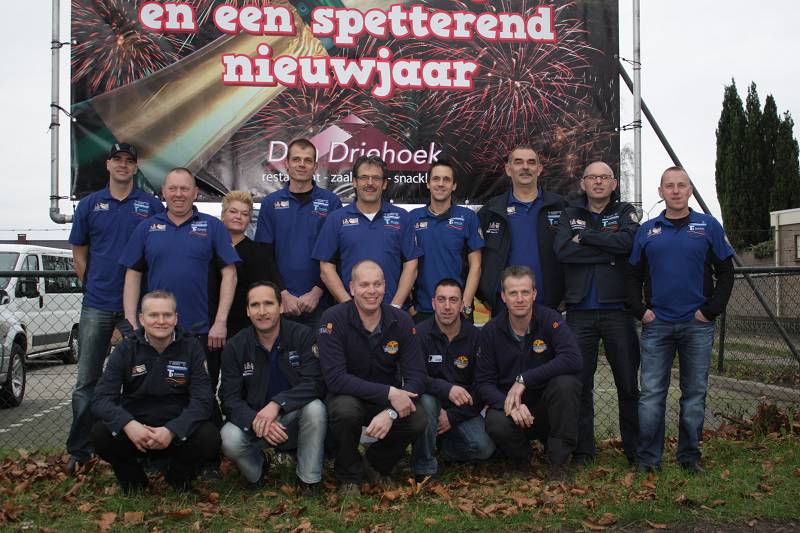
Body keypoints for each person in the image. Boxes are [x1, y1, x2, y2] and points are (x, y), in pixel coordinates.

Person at [66, 143, 165, 473]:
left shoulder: (151, 205)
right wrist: (91, 285)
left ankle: (141, 450)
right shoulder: (90, 205)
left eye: (129, 161)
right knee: (87, 382)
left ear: (136, 167)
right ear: (108, 164)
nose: (123, 165)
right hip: (97, 305)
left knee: (141, 382)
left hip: (138, 311)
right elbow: (79, 251)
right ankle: (80, 451)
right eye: (117, 159)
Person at [628, 167, 734, 474]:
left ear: (689, 190)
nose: (675, 191)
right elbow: (631, 276)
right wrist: (641, 311)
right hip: (657, 325)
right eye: (669, 186)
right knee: (651, 396)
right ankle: (648, 460)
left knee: (694, 395)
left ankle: (689, 457)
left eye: (681, 185)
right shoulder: (647, 230)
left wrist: (710, 311)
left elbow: (726, 273)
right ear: (660, 192)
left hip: (697, 325)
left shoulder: (708, 226)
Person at [120, 167, 240, 395]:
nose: (178, 194)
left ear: (195, 192)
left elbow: (230, 274)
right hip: (156, 331)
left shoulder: (213, 226)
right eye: (173, 189)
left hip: (201, 331)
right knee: (156, 395)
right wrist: (132, 322)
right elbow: (132, 275)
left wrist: (220, 322)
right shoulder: (146, 228)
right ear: (163, 192)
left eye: (184, 189)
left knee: (202, 395)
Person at [554, 161, 641, 466]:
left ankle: (635, 451)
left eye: (604, 177)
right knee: (580, 386)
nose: (599, 182)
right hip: (579, 314)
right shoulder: (569, 214)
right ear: (583, 183)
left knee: (627, 385)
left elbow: (628, 243)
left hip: (618, 312)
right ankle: (583, 452)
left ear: (614, 184)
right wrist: (608, 251)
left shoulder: (625, 211)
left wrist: (586, 237)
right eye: (593, 177)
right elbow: (563, 251)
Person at [317, 260, 428, 495]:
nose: (372, 291)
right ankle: (348, 476)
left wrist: (391, 411)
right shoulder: (333, 319)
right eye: (364, 285)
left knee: (418, 418)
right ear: (352, 288)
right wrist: (389, 393)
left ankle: (377, 464)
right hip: (348, 396)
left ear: (385, 286)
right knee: (345, 411)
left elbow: (417, 376)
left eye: (377, 284)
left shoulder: (400, 320)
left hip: (385, 401)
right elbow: (335, 379)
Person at [90, 291, 219, 493]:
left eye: (167, 315)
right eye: (153, 315)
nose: (161, 321)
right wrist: (128, 424)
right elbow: (101, 399)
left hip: (176, 433)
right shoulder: (126, 348)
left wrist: (172, 430)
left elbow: (203, 401)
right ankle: (134, 483)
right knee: (100, 433)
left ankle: (178, 478)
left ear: (176, 318)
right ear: (142, 319)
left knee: (209, 436)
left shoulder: (191, 347)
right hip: (137, 433)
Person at [476, 266, 582, 480]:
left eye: (525, 292)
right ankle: (520, 459)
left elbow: (573, 358)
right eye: (513, 293)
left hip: (546, 409)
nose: (519, 299)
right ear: (503, 297)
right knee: (495, 421)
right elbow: (483, 383)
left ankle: (560, 462)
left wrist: (524, 379)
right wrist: (509, 405)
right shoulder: (490, 331)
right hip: (513, 412)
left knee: (566, 384)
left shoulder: (551, 320)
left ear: (534, 294)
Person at [220, 282, 326, 493]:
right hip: (255, 424)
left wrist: (277, 404)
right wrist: (255, 420)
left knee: (315, 408)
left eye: (268, 303)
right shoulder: (235, 346)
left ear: (280, 307)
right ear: (247, 311)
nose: (262, 311)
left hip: (294, 420)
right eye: (255, 305)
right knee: (228, 437)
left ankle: (309, 480)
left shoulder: (303, 335)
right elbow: (229, 399)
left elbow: (315, 383)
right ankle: (258, 469)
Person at [410, 279, 495, 481]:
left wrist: (452, 417)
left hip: (461, 410)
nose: (447, 306)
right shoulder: (419, 334)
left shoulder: (476, 337)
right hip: (427, 404)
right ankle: (424, 468)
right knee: (427, 401)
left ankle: (444, 449)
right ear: (433, 303)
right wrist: (446, 389)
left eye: (453, 300)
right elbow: (414, 377)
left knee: (484, 448)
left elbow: (482, 386)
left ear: (462, 304)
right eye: (441, 300)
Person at [313, 155, 422, 308]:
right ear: (354, 181)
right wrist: (349, 307)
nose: (370, 183)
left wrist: (395, 307)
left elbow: (411, 265)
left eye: (376, 178)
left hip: (392, 312)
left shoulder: (402, 217)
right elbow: (326, 268)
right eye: (364, 177)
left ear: (384, 184)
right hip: (349, 315)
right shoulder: (336, 219)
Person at [255, 139, 342, 328]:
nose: (301, 164)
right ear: (286, 164)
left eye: (307, 160)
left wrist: (317, 292)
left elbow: (336, 253)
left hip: (321, 303)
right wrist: (283, 294)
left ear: (315, 166)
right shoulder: (270, 203)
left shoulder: (332, 202)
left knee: (321, 348)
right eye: (296, 159)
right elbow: (264, 255)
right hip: (281, 303)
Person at [477, 144, 567, 313]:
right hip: (503, 308)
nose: (525, 167)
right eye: (518, 162)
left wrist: (565, 296)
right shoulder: (491, 211)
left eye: (531, 162)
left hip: (549, 307)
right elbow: (473, 257)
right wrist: (486, 295)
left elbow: (574, 254)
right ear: (508, 169)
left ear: (539, 169)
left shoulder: (561, 207)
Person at [408, 160, 483, 323]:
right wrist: (409, 305)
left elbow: (476, 265)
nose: (441, 184)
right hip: (422, 310)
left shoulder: (468, 217)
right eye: (436, 179)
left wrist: (465, 304)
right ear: (428, 183)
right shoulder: (412, 218)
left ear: (454, 185)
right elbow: (404, 264)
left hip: (458, 310)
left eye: (446, 179)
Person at [211, 190, 284, 338]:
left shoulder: (257, 253)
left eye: (244, 214)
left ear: (249, 219)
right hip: (207, 324)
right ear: (223, 215)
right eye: (233, 211)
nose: (238, 217)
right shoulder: (207, 248)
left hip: (241, 329)